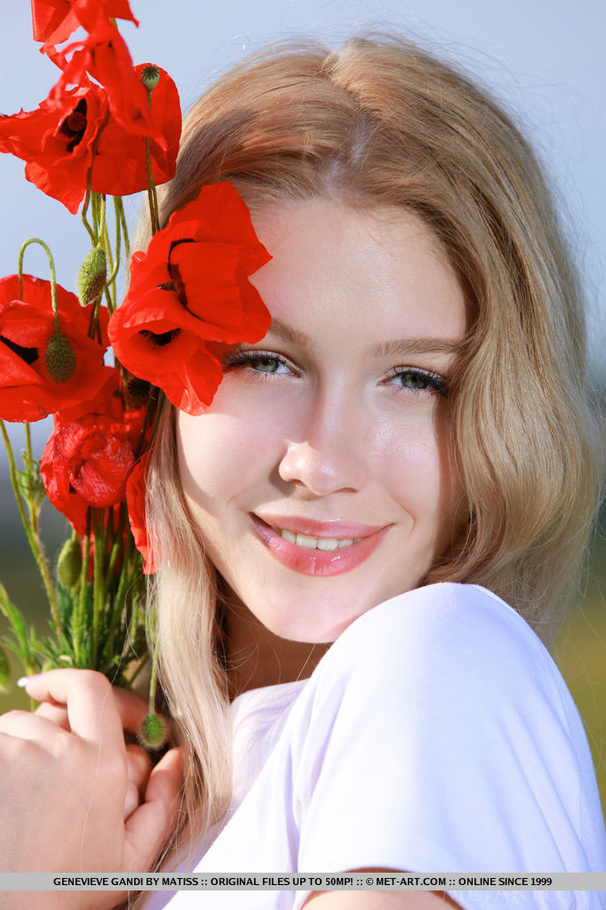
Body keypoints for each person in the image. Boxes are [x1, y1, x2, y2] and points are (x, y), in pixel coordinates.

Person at [2, 33, 605, 910]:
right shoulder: (165, 811)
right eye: (264, 361)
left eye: (413, 379)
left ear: (499, 418)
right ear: (154, 378)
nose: (322, 462)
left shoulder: (440, 666)